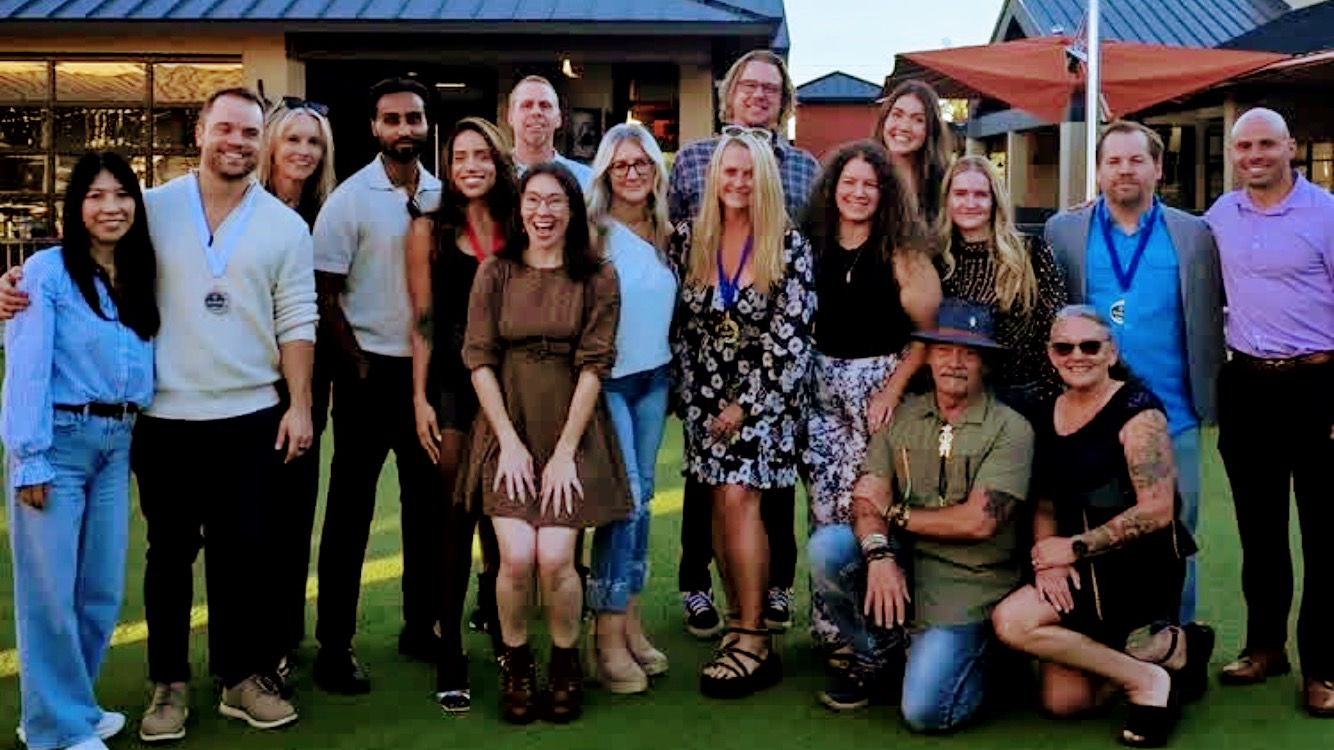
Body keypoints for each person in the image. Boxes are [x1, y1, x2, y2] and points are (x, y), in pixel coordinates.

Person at [0, 88, 317, 742]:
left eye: (249, 132)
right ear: (200, 131)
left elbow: (297, 318)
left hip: (250, 413)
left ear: (262, 140)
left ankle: (238, 677)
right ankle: (167, 683)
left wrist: (301, 404)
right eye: (225, 127)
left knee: (239, 554)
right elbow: (88, 256)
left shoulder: (286, 226)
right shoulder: (152, 207)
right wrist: (16, 283)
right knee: (168, 555)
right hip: (163, 419)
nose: (236, 141)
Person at [808, 300, 1032, 730]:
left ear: (985, 363)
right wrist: (878, 554)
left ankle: (993, 659)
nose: (955, 362)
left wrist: (894, 514)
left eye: (969, 353)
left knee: (926, 713)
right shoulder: (906, 415)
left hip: (970, 587)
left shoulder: (1011, 428)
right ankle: (880, 657)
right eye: (944, 349)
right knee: (829, 548)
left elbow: (978, 522)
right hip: (909, 565)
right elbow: (866, 497)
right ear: (928, 356)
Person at [462, 163, 631, 724]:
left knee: (556, 557)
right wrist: (509, 444)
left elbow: (595, 364)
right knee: (515, 557)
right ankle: (516, 663)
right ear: (519, 209)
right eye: (533, 200)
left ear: (573, 210)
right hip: (506, 426)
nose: (543, 212)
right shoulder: (495, 272)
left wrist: (563, 453)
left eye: (556, 200)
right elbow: (479, 359)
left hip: (572, 429)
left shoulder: (598, 276)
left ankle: (564, 661)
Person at [3, 151, 158, 750]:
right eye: (95, 196)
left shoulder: (139, 271)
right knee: (49, 594)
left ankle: (68, 707)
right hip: (58, 444)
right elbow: (26, 368)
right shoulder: (44, 272)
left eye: (122, 194)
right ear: (75, 207)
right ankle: (57, 730)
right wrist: (29, 458)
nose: (111, 207)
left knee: (98, 591)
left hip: (117, 446)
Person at [992, 305, 1201, 748]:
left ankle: (1149, 682)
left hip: (1138, 563)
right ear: (1050, 354)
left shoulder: (1139, 412)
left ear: (1111, 352)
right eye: (1064, 347)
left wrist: (1074, 548)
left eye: (1090, 346)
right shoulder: (1045, 413)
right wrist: (1049, 560)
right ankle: (1164, 650)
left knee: (1013, 621)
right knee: (1064, 702)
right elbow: (1044, 502)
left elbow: (1157, 510)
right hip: (1075, 560)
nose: (1077, 356)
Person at [1045, 120, 1223, 628]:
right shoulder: (1064, 230)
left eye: (1136, 160)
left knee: (1175, 537)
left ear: (1158, 168)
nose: (1124, 170)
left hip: (1173, 417)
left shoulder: (1195, 234)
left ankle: (1175, 643)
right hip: (1091, 419)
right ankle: (1100, 642)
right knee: (1092, 531)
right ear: (1098, 171)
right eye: (1114, 161)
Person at [668, 48, 821, 638]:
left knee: (745, 498)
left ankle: (753, 622)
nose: (737, 181)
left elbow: (791, 336)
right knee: (713, 499)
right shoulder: (690, 235)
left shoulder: (792, 228)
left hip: (766, 390)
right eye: (748, 86)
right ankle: (724, 604)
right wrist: (692, 393)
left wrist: (746, 404)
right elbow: (681, 318)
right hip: (706, 391)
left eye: (771, 88)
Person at [311, 77, 444, 695]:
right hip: (366, 376)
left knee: (427, 511)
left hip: (425, 376)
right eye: (392, 119)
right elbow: (324, 294)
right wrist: (357, 367)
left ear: (426, 124)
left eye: (413, 118)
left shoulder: (443, 194)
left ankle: (421, 625)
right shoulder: (348, 200)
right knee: (349, 515)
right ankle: (333, 646)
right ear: (373, 127)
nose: (404, 130)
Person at [1204, 107, 1334, 716]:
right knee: (1259, 533)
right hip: (1249, 385)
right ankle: (1265, 647)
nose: (1254, 155)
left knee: (1326, 536)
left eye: (1265, 144)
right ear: (1233, 154)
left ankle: (1324, 666)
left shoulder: (1326, 213)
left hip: (1319, 382)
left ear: (1291, 147)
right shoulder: (1220, 216)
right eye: (1243, 146)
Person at [798, 140, 939, 649]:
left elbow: (929, 333)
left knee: (873, 506)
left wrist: (891, 390)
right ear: (832, 188)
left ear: (885, 193)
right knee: (825, 510)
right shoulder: (810, 243)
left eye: (870, 185)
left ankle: (890, 625)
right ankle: (835, 628)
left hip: (881, 389)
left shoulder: (901, 251)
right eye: (849, 182)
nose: (858, 193)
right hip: (821, 393)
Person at [405, 116, 516, 713]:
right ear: (447, 168)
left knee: (504, 513)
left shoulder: (519, 223)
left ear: (498, 162)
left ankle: (504, 631)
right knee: (455, 511)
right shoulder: (427, 228)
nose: (471, 166)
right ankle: (450, 647)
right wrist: (419, 397)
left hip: (513, 381)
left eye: (482, 156)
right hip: (451, 380)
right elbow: (422, 319)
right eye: (460, 157)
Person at [584, 123, 677, 693]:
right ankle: (606, 637)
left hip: (655, 380)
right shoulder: (593, 233)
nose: (632, 173)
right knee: (625, 503)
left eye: (641, 163)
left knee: (643, 504)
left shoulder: (669, 231)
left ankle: (631, 621)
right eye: (620, 165)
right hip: (610, 384)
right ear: (606, 173)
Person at [257, 94, 338, 683]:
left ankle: (281, 637)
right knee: (244, 520)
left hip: (307, 387)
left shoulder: (326, 217)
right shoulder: (241, 208)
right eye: (293, 139)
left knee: (291, 517)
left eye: (314, 143)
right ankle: (245, 639)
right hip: (244, 383)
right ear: (271, 145)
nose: (304, 151)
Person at [938, 155, 1067, 418]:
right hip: (954, 397)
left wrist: (1049, 404)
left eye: (980, 195)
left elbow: (1054, 329)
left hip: (1022, 398)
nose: (970, 203)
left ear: (995, 200)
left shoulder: (1031, 252)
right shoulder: (936, 259)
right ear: (947, 200)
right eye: (960, 194)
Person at [872, 80, 953, 227]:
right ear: (884, 118)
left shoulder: (947, 185)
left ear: (931, 129)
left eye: (918, 120)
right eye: (897, 115)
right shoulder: (862, 176)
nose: (904, 127)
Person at [506, 75, 593, 190]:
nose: (536, 112)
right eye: (527, 105)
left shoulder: (586, 180)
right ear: (510, 117)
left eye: (545, 106)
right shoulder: (493, 176)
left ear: (559, 118)